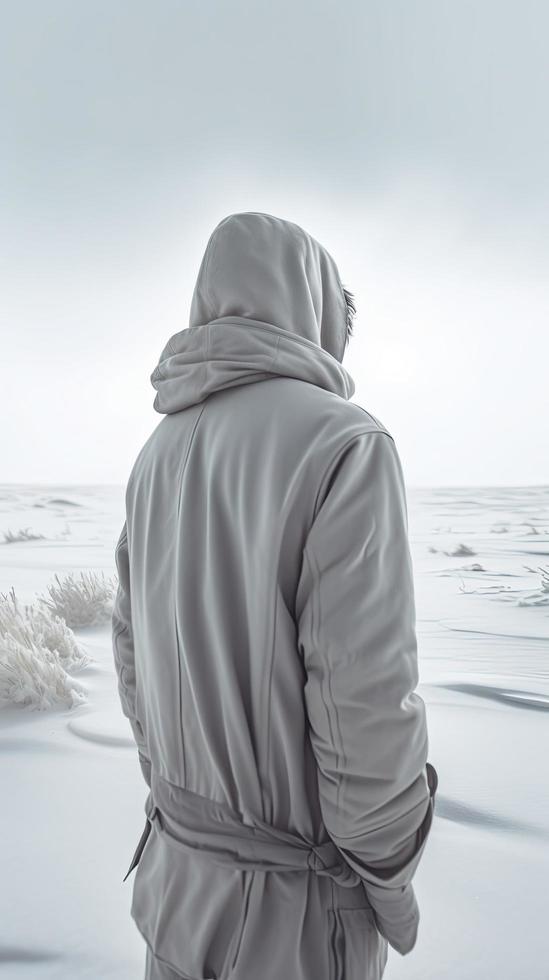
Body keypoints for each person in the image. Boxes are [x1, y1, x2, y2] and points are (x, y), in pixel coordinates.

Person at [112, 211, 438, 980]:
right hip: (291, 918)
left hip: (172, 887)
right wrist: (391, 880)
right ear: (311, 310)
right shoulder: (344, 444)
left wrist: (189, 809)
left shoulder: (154, 455)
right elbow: (363, 703)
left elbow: (133, 669)